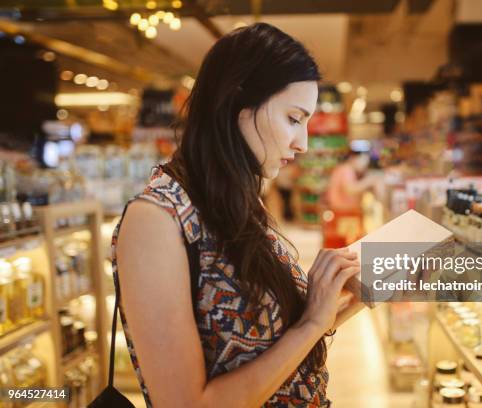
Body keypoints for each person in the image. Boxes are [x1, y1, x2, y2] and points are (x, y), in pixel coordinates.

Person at [113, 23, 364, 408]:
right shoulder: (157, 220)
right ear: (238, 104)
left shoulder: (239, 201)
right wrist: (313, 321)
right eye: (294, 119)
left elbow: (279, 343)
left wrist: (350, 294)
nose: (303, 143)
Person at [324, 151, 377, 245]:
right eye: (363, 161)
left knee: (342, 244)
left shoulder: (342, 169)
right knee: (350, 245)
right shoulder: (346, 170)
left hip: (342, 214)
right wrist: (370, 181)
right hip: (345, 214)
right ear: (354, 159)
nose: (364, 165)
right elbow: (350, 189)